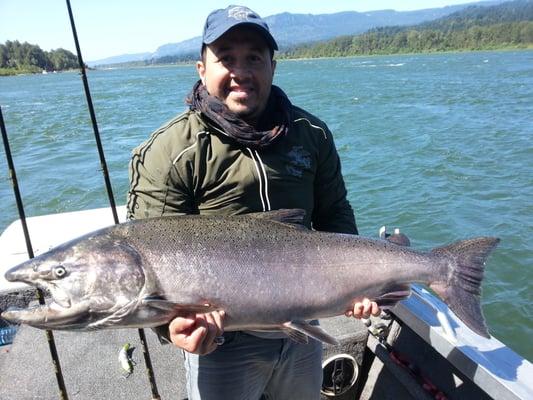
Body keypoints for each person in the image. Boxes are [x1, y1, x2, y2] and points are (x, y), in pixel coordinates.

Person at [127, 5, 379, 399]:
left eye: (254, 58)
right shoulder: (170, 151)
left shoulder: (311, 134)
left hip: (303, 329)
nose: (240, 71)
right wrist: (170, 327)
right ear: (201, 69)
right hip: (222, 342)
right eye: (226, 58)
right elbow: (147, 260)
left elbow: (335, 215)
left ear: (273, 68)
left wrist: (358, 285)